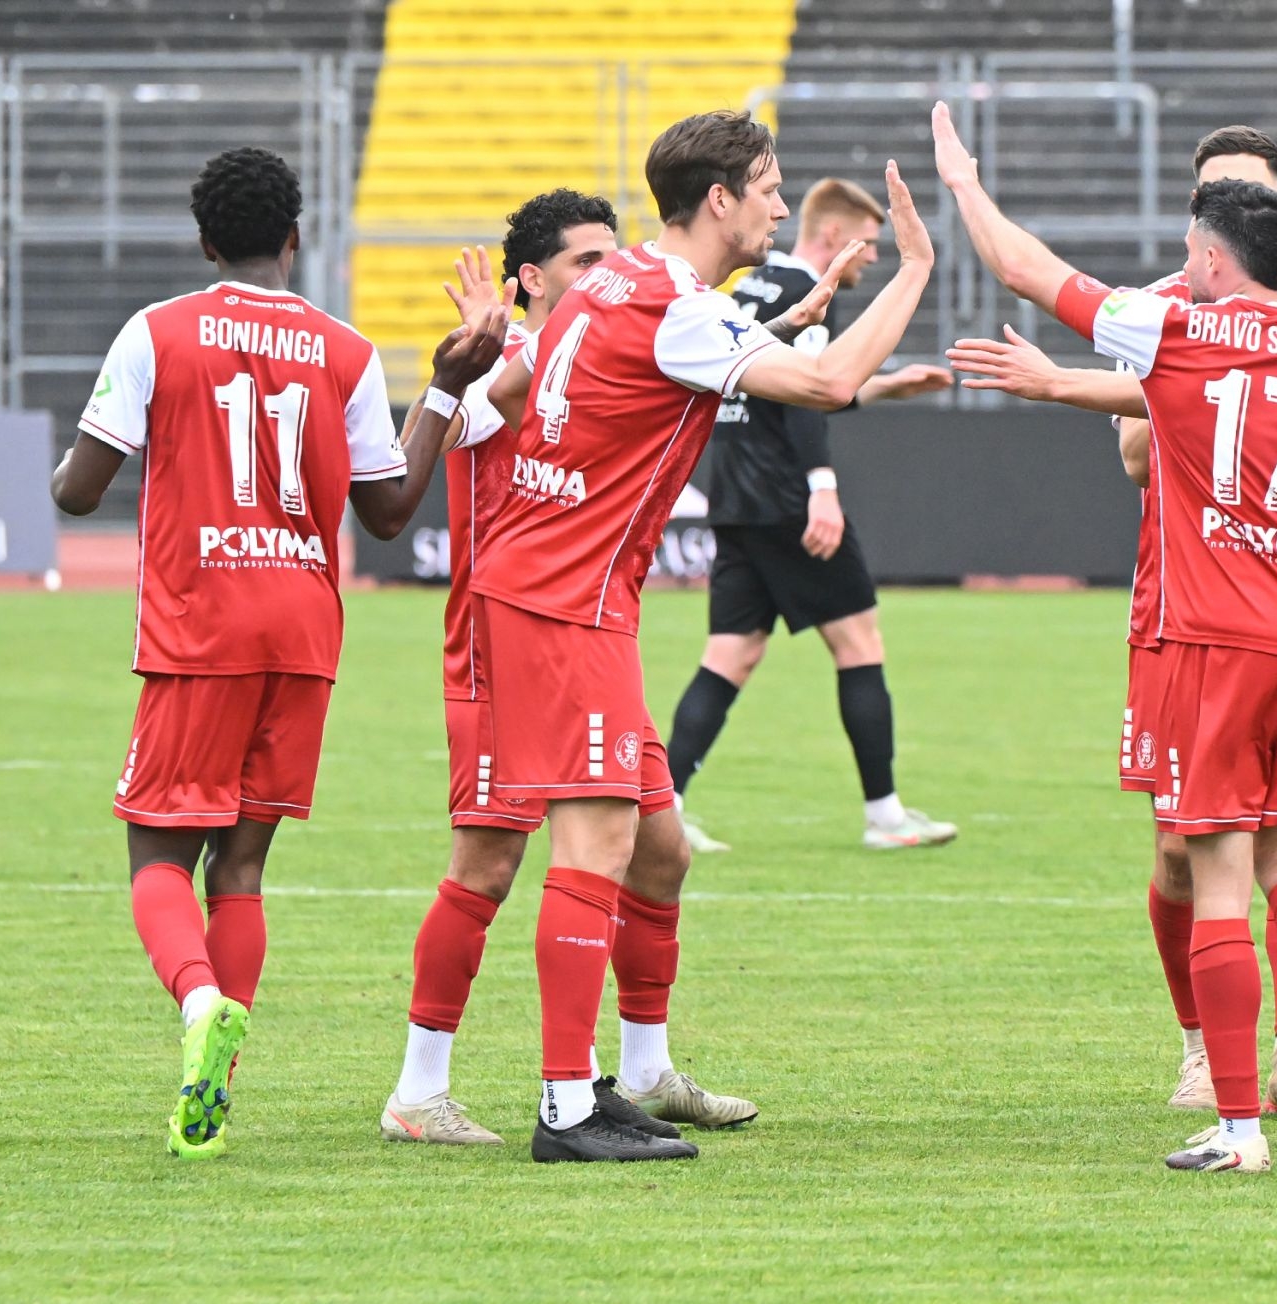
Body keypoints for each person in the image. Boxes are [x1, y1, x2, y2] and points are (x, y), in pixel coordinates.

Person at [932, 101, 1277, 1172]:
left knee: (1219, 874)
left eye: (1193, 248)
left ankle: (1236, 1127)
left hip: (1218, 638)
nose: (1185, 264)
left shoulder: (1176, 326)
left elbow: (1025, 269)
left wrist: (964, 184)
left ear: (1219, 259)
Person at [474, 110, 937, 1162]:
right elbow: (822, 384)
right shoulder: (675, 309)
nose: (782, 205)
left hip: (561, 590)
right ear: (720, 199)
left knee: (661, 848)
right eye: (769, 188)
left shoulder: (617, 282)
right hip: (563, 601)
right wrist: (914, 268)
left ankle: (641, 1071)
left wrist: (810, 307)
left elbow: (700, 348)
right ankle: (566, 1106)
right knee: (596, 844)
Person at [50, 146, 507, 1159]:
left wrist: (59, 472)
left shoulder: (158, 330)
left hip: (200, 625)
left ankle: (200, 1002)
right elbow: (389, 512)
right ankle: (215, 1082)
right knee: (243, 863)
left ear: (205, 242)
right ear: (297, 238)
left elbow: (79, 491)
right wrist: (443, 387)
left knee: (157, 855)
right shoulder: (345, 349)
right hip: (302, 630)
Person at [382, 190, 849, 1148]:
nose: (607, 275)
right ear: (531, 280)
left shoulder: (604, 343)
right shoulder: (509, 363)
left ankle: (643, 1069)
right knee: (489, 862)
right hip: (504, 649)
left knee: (661, 850)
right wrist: (450, 377)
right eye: (584, 263)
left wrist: (771, 330)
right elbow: (404, 473)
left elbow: (672, 357)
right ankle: (419, 1089)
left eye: (611, 256)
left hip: (586, 639)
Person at [946, 126, 1277, 1120]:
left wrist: (1069, 377)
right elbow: (1138, 459)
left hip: (1242, 619)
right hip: (1179, 613)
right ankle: (1206, 1043)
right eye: (1210, 194)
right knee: (1184, 852)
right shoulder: (1174, 311)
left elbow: (1028, 271)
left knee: (1269, 850)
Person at [666, 175, 956, 854]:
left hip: (734, 495)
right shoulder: (807, 293)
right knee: (859, 643)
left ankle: (665, 807)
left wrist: (882, 387)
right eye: (868, 244)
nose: (871, 257)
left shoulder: (749, 288)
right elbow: (803, 402)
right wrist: (821, 488)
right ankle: (885, 814)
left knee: (731, 653)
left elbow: (779, 387)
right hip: (787, 498)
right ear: (833, 235)